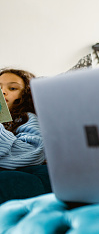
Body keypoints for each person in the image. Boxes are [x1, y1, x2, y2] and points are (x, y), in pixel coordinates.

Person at [0, 68, 51, 202]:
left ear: (25, 95)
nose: (3, 91)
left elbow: (33, 152)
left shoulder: (26, 118)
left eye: (12, 88)